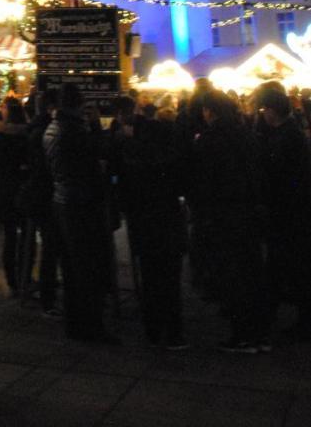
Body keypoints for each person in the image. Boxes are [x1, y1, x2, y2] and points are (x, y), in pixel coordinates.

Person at [190, 88, 265, 353]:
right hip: (248, 213)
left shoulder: (209, 139)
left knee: (232, 277)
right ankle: (259, 333)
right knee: (251, 271)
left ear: (209, 111)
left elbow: (203, 181)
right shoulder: (246, 133)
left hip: (223, 215)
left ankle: (241, 335)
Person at [43, 82, 115, 342]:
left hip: (62, 200)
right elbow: (97, 153)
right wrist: (96, 126)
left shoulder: (52, 128)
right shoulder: (74, 130)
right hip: (82, 203)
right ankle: (91, 326)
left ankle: (75, 324)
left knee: (73, 267)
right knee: (88, 267)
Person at [116, 112, 188, 348]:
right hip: (169, 225)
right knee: (170, 281)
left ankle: (153, 329)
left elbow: (123, 194)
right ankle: (174, 332)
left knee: (150, 279)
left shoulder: (133, 160)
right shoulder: (172, 160)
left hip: (144, 227)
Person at [254, 81, 311, 342]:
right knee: (283, 266)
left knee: (290, 265)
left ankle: (295, 317)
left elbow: (284, 176)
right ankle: (274, 310)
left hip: (288, 213)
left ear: (271, 110)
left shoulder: (286, 137)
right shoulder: (289, 132)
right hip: (288, 212)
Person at [24, 88, 61, 316]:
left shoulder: (32, 129)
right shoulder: (48, 131)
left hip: (33, 192)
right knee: (51, 246)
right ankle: (47, 297)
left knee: (45, 245)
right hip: (45, 193)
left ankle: (30, 286)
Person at [0, 96, 30, 295]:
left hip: (4, 189)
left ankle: (12, 280)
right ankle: (24, 277)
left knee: (9, 236)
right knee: (25, 236)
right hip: (22, 189)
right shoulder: (27, 137)